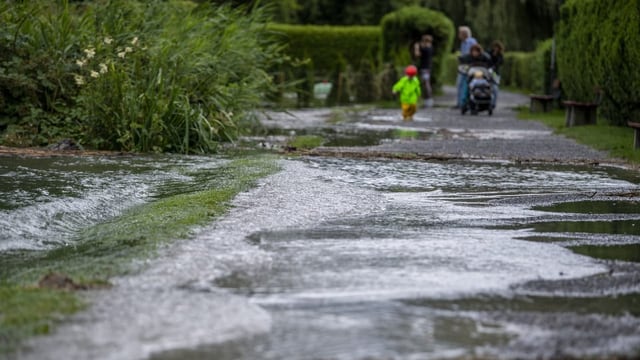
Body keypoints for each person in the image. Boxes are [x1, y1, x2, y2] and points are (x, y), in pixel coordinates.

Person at [458, 44, 492, 109]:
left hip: (482, 77)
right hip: (472, 77)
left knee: (488, 86)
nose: (475, 53)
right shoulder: (468, 57)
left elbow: (489, 64)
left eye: (476, 51)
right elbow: (462, 60)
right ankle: (464, 102)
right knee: (466, 87)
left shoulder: (484, 57)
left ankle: (487, 101)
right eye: (473, 51)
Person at [455, 26, 477, 109]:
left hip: (469, 66)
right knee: (460, 84)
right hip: (463, 66)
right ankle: (460, 103)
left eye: (460, 33)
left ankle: (464, 102)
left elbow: (473, 54)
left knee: (466, 84)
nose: (459, 35)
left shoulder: (471, 42)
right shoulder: (463, 43)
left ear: (464, 34)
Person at [414, 34, 434, 107]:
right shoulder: (430, 48)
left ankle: (428, 100)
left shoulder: (426, 49)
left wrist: (416, 47)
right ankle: (428, 100)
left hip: (425, 68)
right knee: (426, 83)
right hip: (427, 68)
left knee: (426, 83)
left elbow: (417, 54)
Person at [489, 40, 504, 110]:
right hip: (488, 71)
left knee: (495, 87)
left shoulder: (500, 55)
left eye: (497, 47)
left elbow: (500, 63)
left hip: (495, 73)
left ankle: (493, 103)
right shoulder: (489, 53)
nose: (495, 49)